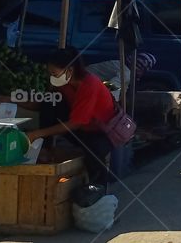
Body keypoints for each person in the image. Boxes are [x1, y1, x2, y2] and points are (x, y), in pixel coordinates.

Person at [22, 47, 116, 187]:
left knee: (93, 155)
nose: (51, 77)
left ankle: (98, 188)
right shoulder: (63, 84)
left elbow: (75, 123)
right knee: (51, 101)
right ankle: (45, 149)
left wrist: (36, 134)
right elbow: (42, 104)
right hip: (81, 129)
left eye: (54, 73)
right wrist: (10, 100)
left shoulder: (90, 85)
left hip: (101, 133)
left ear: (69, 70)